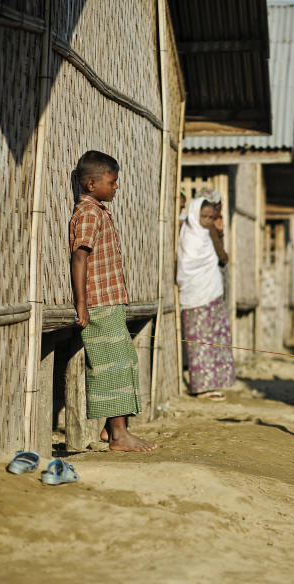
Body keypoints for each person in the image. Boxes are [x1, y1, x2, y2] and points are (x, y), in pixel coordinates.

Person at [69, 150, 156, 452]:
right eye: (112, 182)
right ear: (92, 184)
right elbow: (79, 257)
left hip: (110, 301)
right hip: (99, 303)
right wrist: (82, 303)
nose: (116, 187)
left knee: (123, 361)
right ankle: (119, 436)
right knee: (112, 366)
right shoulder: (89, 214)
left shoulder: (99, 210)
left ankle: (112, 430)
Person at [177, 189, 237, 401]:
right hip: (194, 296)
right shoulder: (187, 234)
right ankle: (200, 386)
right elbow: (186, 266)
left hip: (211, 292)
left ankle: (214, 382)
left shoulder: (207, 233)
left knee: (214, 338)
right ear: (194, 213)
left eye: (211, 217)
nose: (208, 221)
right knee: (198, 341)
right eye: (204, 217)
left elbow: (219, 258)